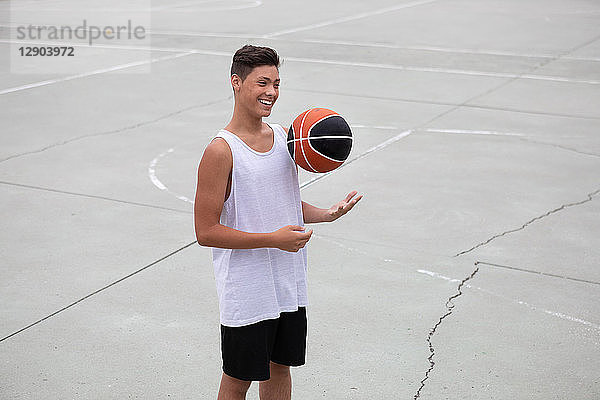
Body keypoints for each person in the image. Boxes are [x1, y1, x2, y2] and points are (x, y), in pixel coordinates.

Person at [193, 44, 363, 400]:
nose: (271, 92)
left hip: (288, 279)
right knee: (239, 377)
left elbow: (281, 202)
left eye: (276, 83)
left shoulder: (287, 137)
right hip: (247, 288)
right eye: (262, 83)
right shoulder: (221, 150)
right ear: (236, 83)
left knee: (280, 367)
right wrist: (273, 239)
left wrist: (326, 214)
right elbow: (206, 232)